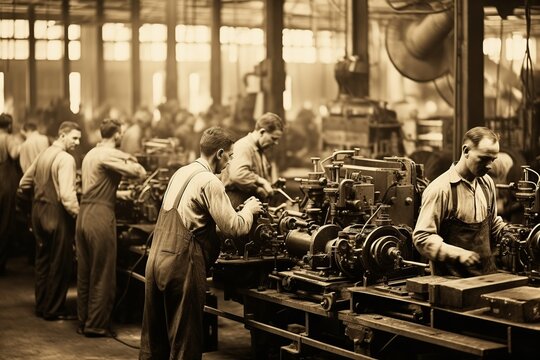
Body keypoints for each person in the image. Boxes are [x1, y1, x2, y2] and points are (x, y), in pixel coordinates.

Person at [139, 126, 263, 360]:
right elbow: (235, 228)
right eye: (230, 155)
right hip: (181, 264)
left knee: (154, 340)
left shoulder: (181, 172)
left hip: (155, 259)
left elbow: (194, 218)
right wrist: (249, 210)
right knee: (185, 339)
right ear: (219, 154)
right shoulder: (210, 181)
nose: (230, 162)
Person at [76, 118, 146, 337]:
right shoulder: (108, 153)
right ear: (117, 135)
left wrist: (121, 194)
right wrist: (130, 157)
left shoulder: (90, 154)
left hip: (84, 214)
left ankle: (84, 320)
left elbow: (96, 186)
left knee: (86, 272)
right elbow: (139, 172)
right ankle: (96, 325)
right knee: (103, 272)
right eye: (122, 133)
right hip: (100, 216)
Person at [413, 126, 507, 277]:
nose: (490, 166)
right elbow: (422, 237)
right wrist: (458, 253)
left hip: (487, 277)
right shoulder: (441, 189)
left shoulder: (486, 183)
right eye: (484, 159)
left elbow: (493, 222)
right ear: (466, 151)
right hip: (452, 282)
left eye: (493, 160)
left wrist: (508, 233)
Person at [19, 121, 81, 319]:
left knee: (43, 260)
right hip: (56, 214)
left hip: (38, 212)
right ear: (62, 136)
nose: (78, 142)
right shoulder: (65, 159)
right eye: (74, 138)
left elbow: (24, 183)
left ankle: (42, 305)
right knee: (60, 262)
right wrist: (79, 217)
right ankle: (54, 309)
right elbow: (67, 196)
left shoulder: (44, 154)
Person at [221, 112, 284, 208]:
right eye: (273, 138)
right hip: (237, 205)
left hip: (249, 206)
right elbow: (237, 175)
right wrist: (261, 181)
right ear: (262, 132)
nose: (276, 143)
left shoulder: (259, 151)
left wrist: (270, 186)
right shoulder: (244, 146)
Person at [0, 113, 22, 275]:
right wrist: (20, 143)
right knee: (5, 221)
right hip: (5, 179)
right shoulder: (8, 138)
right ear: (9, 125)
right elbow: (14, 154)